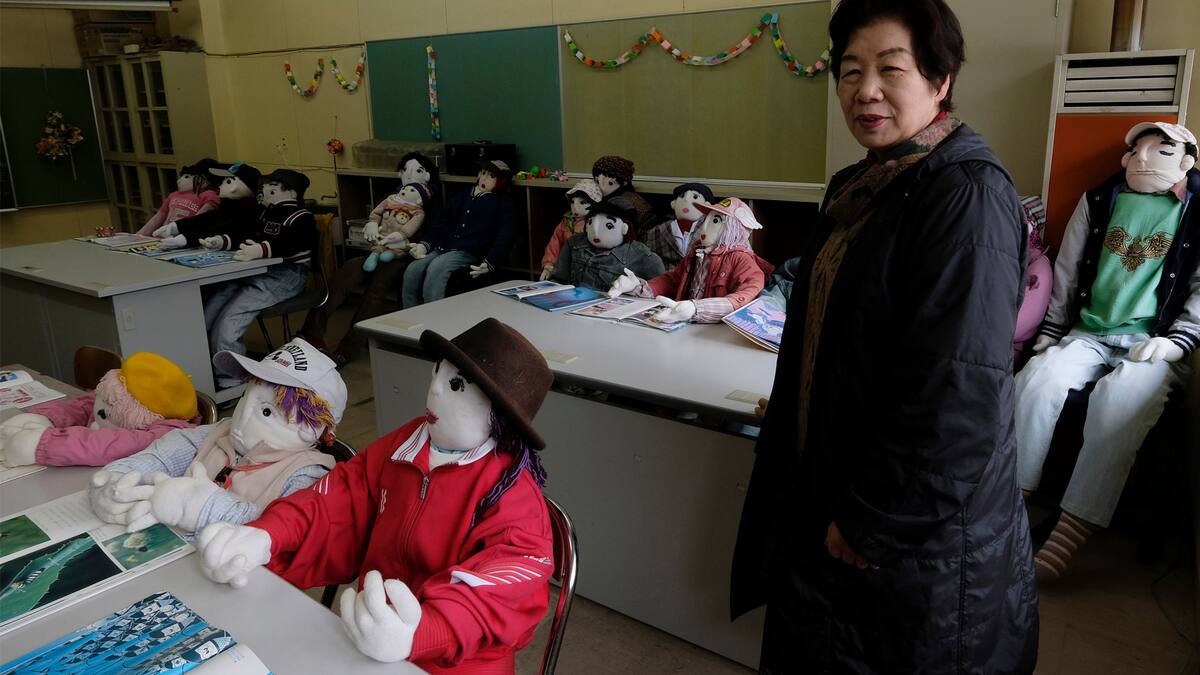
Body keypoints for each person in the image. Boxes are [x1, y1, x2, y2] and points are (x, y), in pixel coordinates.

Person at [729, 1, 1039, 672]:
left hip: (911, 533)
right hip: (835, 484)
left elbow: (958, 390)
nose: (865, 90)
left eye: (890, 69)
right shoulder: (865, 182)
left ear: (940, 79)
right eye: (850, 71)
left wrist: (878, 520)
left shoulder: (966, 194)